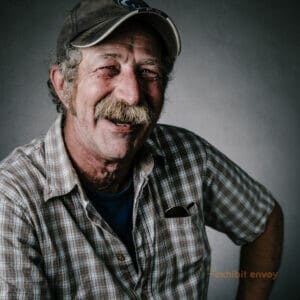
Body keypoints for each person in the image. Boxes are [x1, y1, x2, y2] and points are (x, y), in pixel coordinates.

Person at [0, 0, 283, 299]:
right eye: (108, 68)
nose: (133, 95)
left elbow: (263, 220)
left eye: (149, 71)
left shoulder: (191, 157)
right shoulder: (13, 202)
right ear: (63, 84)